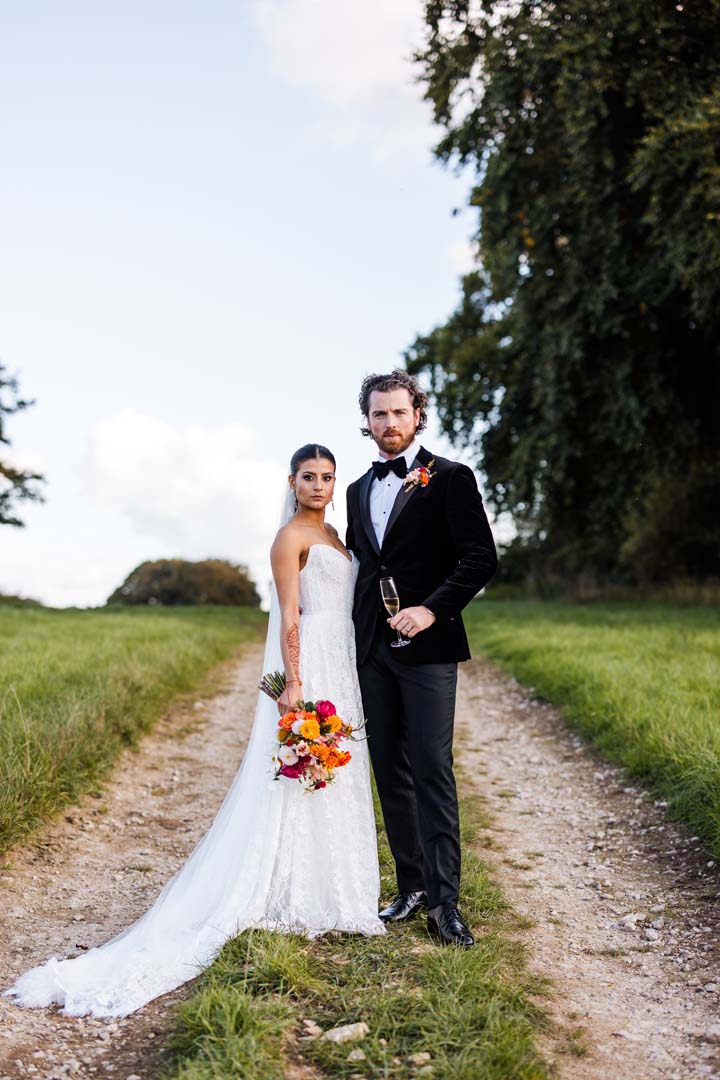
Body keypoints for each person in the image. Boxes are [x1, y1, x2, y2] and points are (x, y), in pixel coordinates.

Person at [3, 444, 384, 1018]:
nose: (319, 486)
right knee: (299, 770)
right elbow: (288, 613)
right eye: (309, 477)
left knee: (336, 769)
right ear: (292, 481)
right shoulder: (289, 540)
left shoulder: (337, 539)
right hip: (313, 663)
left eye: (328, 478)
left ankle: (337, 891)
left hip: (344, 657)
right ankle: (290, 889)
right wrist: (295, 682)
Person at [347, 370, 498, 947]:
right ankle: (409, 885)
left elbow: (480, 558)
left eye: (398, 413)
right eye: (378, 414)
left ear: (418, 416)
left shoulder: (451, 478)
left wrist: (431, 610)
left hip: (429, 647)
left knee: (432, 767)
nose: (388, 423)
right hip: (372, 650)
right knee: (389, 767)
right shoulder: (359, 489)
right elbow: (359, 564)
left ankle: (445, 904)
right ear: (367, 422)